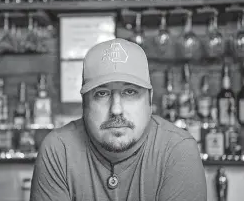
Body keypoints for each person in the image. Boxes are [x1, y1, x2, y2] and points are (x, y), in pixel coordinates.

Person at [30, 38, 207, 201]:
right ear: (84, 102)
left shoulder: (177, 149)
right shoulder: (58, 150)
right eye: (101, 94)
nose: (116, 109)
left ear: (150, 99)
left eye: (130, 92)